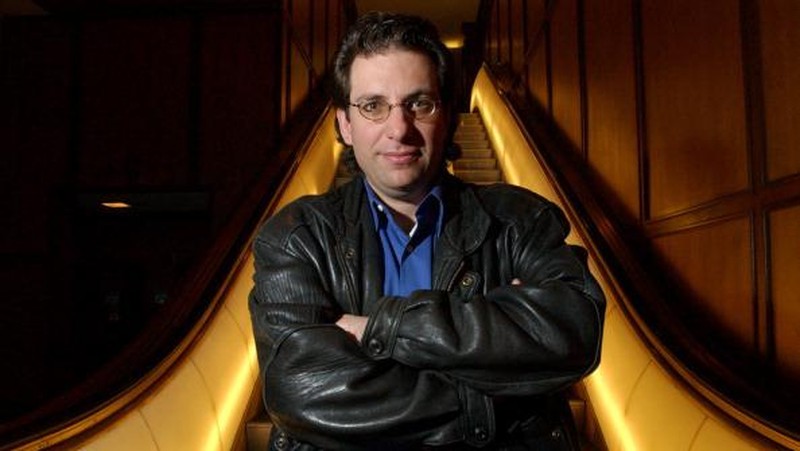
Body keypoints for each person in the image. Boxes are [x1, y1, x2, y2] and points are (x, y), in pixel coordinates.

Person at [249, 11, 605, 450]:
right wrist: (500, 388)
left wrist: (382, 328)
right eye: (372, 106)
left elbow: (575, 331)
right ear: (344, 123)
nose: (399, 129)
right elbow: (301, 391)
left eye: (420, 104)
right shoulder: (295, 235)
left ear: (449, 114)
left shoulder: (518, 221)